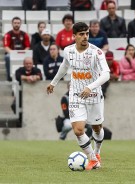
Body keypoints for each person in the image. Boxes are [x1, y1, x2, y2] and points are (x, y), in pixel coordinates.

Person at [47, 22, 110, 170]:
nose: (85, 37)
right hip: (76, 94)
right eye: (81, 34)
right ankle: (92, 159)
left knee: (97, 128)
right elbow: (64, 66)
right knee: (78, 130)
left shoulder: (97, 52)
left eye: (87, 33)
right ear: (74, 36)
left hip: (94, 94)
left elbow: (106, 74)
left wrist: (90, 86)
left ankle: (97, 151)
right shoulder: (68, 51)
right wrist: (54, 82)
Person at [13, 57, 42, 127]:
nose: (28, 65)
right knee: (14, 105)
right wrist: (28, 78)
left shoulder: (37, 70)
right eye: (27, 63)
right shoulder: (19, 70)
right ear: (23, 64)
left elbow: (40, 76)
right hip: (21, 93)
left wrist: (36, 77)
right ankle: (20, 119)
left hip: (35, 94)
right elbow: (18, 76)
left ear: (33, 64)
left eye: (30, 63)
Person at [3, 17, 30, 81]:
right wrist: (14, 54)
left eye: (18, 23)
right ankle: (9, 78)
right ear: (12, 24)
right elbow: (6, 47)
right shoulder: (8, 34)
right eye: (15, 23)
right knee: (7, 57)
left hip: (23, 53)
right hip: (11, 53)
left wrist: (23, 53)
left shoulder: (24, 34)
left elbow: (27, 46)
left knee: (30, 57)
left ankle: (28, 75)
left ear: (20, 24)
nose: (16, 24)